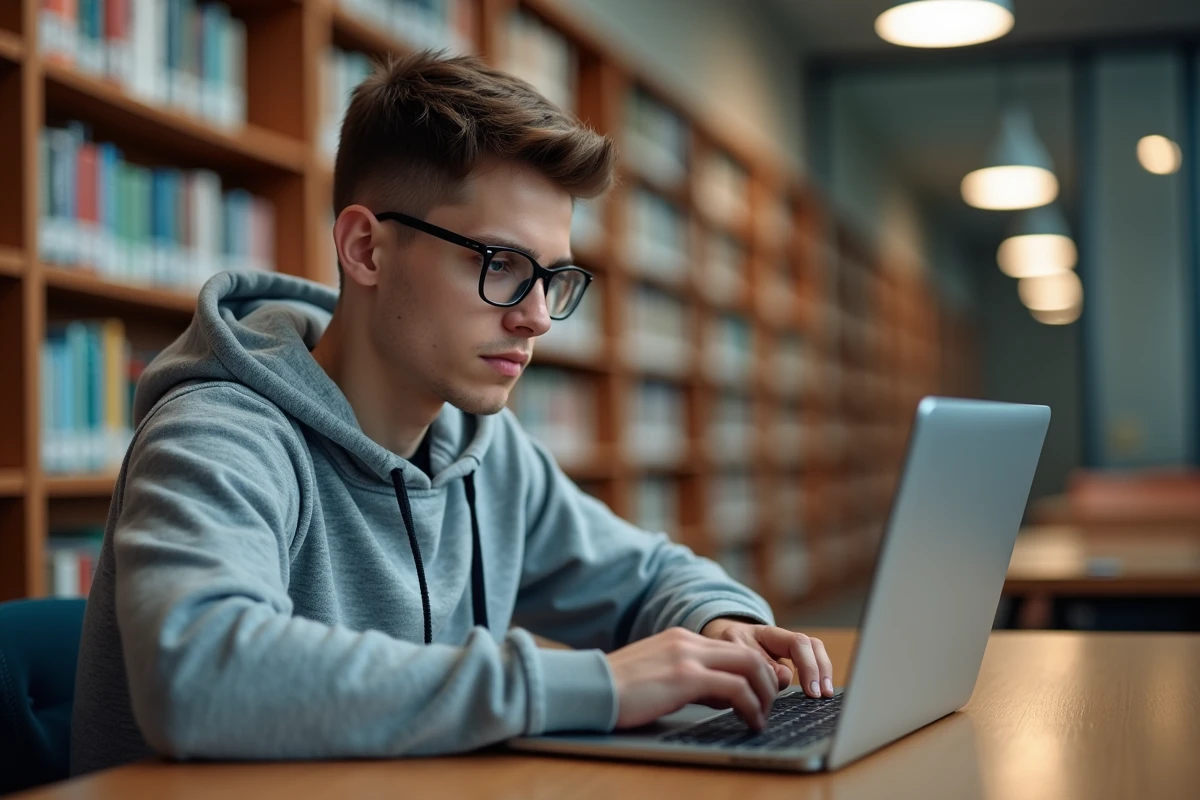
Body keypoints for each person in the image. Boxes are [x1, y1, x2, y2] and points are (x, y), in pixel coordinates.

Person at [70, 50, 835, 775]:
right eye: (501, 264)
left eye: (553, 278)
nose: (537, 317)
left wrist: (717, 621)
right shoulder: (220, 431)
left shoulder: (484, 447)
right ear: (366, 249)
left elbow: (643, 577)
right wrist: (596, 685)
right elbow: (197, 674)